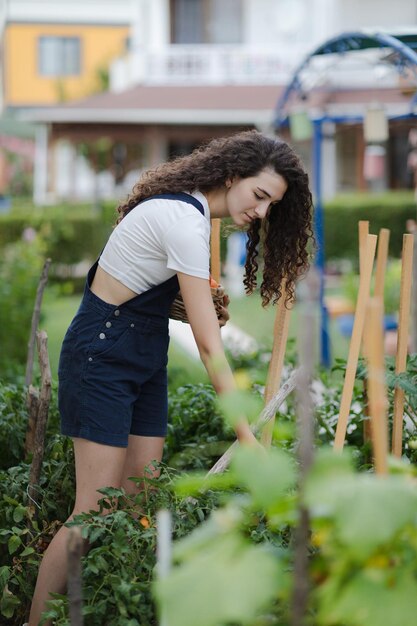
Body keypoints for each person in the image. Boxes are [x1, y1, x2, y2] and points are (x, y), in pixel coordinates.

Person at [28, 129, 314, 625]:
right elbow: (208, 347)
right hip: (103, 355)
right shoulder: (184, 219)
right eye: (260, 196)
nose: (262, 212)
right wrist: (247, 437)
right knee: (92, 510)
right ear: (232, 176)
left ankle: (121, 611)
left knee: (142, 500)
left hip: (142, 352)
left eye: (273, 205)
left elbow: (143, 284)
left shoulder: (193, 214)